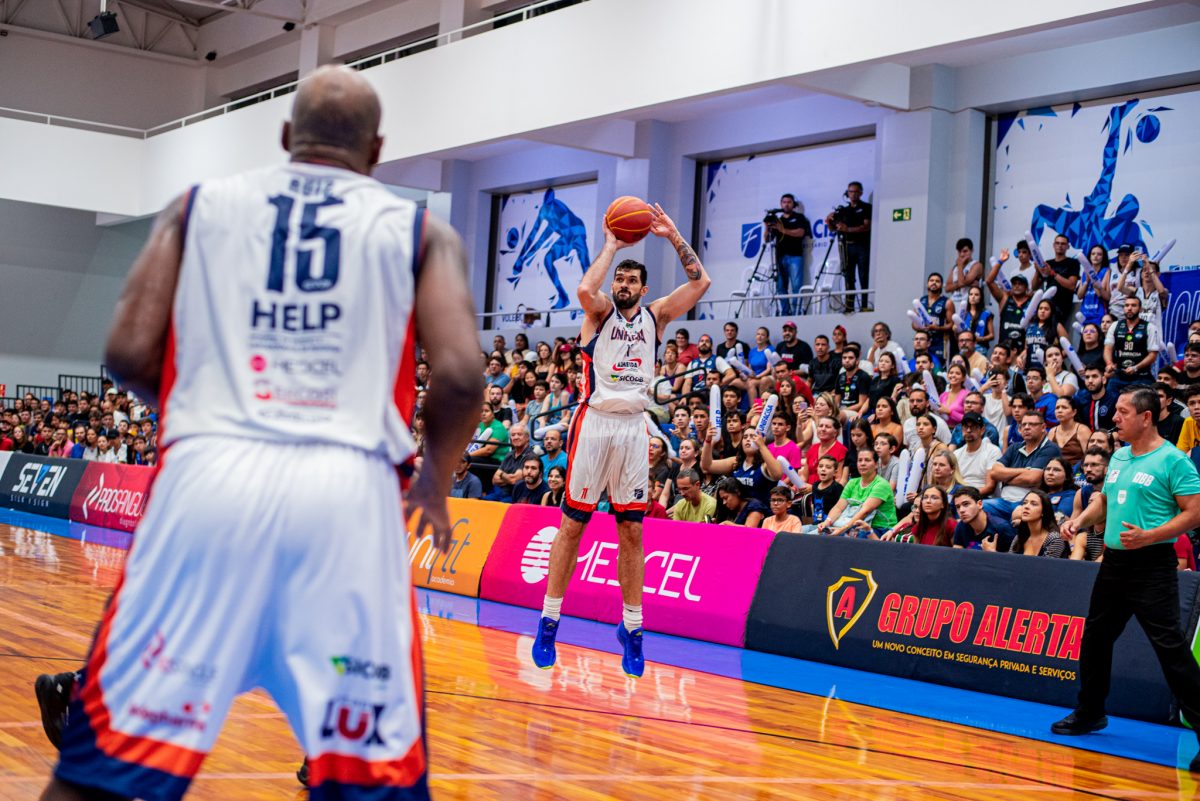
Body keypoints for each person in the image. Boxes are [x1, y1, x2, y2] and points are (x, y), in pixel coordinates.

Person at [36, 66, 482, 801]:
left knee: (98, 776)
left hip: (209, 480)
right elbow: (461, 376)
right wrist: (435, 479)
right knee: (373, 784)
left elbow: (127, 352)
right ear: (377, 150)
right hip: (348, 493)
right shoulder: (421, 231)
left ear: (284, 137)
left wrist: (205, 421)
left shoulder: (196, 208)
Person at [533, 202, 710, 679]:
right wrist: (612, 243)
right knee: (573, 526)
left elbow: (700, 283)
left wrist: (672, 235)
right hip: (594, 423)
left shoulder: (656, 317)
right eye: (620, 279)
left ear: (644, 288)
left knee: (632, 531)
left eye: (632, 280)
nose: (624, 285)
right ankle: (549, 621)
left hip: (634, 428)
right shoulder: (599, 313)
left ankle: (632, 629)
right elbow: (584, 289)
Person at [1053, 388, 1200, 754]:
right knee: (1095, 638)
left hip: (1152, 565)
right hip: (1115, 564)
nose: (1114, 418)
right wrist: (1080, 521)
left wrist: (1150, 535)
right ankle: (1090, 711)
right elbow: (1104, 500)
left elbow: (1195, 513)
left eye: (1122, 412)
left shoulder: (1173, 461)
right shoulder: (1119, 456)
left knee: (1171, 649)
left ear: (1146, 417)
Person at [982, 411, 1062, 519]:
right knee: (977, 508)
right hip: (1004, 501)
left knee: (1013, 519)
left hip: (1029, 503)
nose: (1026, 428)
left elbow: (1033, 478)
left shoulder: (1049, 449)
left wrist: (1005, 477)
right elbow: (994, 472)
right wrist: (1025, 471)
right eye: (1023, 425)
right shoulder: (1014, 447)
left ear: (1043, 427)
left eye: (1032, 424)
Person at [816, 448, 897, 538]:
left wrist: (842, 529)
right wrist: (827, 522)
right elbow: (839, 507)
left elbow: (864, 512)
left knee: (841, 538)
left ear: (876, 465)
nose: (862, 463)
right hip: (855, 525)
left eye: (867, 460)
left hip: (880, 528)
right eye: (860, 460)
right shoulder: (852, 482)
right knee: (819, 533)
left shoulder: (881, 484)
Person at [826, 181, 872, 312]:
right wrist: (829, 221)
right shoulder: (843, 210)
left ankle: (864, 306)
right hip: (846, 247)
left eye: (856, 191)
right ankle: (849, 306)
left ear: (861, 193)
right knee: (848, 277)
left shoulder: (866, 207)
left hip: (862, 246)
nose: (853, 194)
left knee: (863, 276)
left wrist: (848, 229)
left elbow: (866, 226)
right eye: (851, 192)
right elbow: (834, 229)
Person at [1104, 295, 1160, 392]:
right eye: (1127, 305)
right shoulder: (1115, 325)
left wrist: (1135, 368)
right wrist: (1109, 363)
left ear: (1140, 309)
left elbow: (1153, 355)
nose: (1129, 308)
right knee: (1109, 397)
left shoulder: (1150, 327)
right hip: (1119, 376)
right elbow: (1108, 348)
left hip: (1142, 376)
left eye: (1133, 305)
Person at [768, 193, 810, 316]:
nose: (786, 204)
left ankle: (796, 312)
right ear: (781, 204)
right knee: (781, 286)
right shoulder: (777, 221)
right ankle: (785, 312)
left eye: (789, 202)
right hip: (779, 257)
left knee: (796, 285)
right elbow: (767, 239)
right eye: (784, 202)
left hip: (795, 256)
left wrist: (782, 230)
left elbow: (800, 233)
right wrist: (767, 227)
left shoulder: (799, 217)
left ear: (793, 204)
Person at [998, 489, 1070, 557]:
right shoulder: (1019, 537)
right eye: (1025, 503)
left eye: (1033, 504)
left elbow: (1046, 566)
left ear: (1043, 511)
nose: (1026, 507)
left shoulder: (1054, 539)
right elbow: (1010, 563)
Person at [987, 250, 1034, 348]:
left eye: (1020, 284)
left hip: (1023, 349)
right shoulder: (1004, 298)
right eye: (1014, 284)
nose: (1017, 286)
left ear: (1026, 287)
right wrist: (1000, 261)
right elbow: (989, 281)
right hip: (1004, 349)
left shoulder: (1031, 301)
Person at [1034, 233, 1081, 326]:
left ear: (1068, 246)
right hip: (1047, 303)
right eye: (1057, 243)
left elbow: (1072, 286)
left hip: (1063, 305)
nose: (1060, 246)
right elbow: (1034, 286)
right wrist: (1037, 271)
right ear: (1053, 245)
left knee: (1055, 330)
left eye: (1063, 244)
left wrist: (1052, 273)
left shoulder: (1073, 263)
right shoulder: (1048, 263)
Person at [884, 486, 956, 546]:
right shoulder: (919, 526)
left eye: (934, 498)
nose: (928, 501)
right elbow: (916, 552)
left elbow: (957, 553)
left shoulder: (951, 525)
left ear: (943, 504)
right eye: (925, 497)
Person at [951, 486, 1017, 550]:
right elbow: (956, 553)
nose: (961, 510)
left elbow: (1013, 556)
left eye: (966, 504)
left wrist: (992, 553)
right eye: (958, 507)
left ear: (980, 504)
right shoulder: (961, 525)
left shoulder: (1002, 528)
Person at [913, 272, 955, 365]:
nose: (934, 283)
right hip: (923, 341)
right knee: (920, 365)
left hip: (939, 342)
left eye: (937, 281)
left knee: (937, 367)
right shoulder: (920, 301)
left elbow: (952, 324)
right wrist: (920, 327)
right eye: (931, 280)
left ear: (941, 285)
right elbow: (913, 324)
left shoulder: (947, 302)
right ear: (927, 284)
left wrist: (938, 328)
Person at [954, 412, 1003, 490]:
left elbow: (990, 486)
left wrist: (970, 495)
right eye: (965, 427)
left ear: (982, 430)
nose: (968, 430)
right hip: (960, 493)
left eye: (973, 427)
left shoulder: (993, 451)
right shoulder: (956, 454)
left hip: (982, 494)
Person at [1048, 396, 1092, 468]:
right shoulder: (1052, 432)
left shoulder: (1083, 430)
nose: (1059, 410)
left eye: (1064, 407)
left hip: (1077, 471)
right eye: (1057, 408)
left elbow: (1089, 457)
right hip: (1055, 471)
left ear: (1074, 412)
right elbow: (1048, 456)